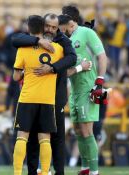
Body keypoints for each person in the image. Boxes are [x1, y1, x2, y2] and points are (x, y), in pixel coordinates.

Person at [12, 13, 91, 175]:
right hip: (45, 98)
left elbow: (72, 58)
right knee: (40, 137)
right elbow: (16, 39)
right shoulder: (53, 46)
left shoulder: (62, 42)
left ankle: (56, 171)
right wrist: (38, 40)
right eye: (47, 26)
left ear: (58, 28)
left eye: (54, 27)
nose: (50, 29)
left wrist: (52, 67)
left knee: (54, 137)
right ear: (42, 26)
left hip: (54, 96)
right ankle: (36, 171)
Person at [12, 15, 64, 175]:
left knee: (22, 137)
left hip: (27, 98)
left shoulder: (23, 49)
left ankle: (17, 172)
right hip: (47, 100)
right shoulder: (58, 49)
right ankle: (46, 171)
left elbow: (15, 77)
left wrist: (25, 73)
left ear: (28, 29)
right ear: (44, 28)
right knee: (45, 139)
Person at [62, 5, 108, 175]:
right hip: (74, 89)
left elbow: (102, 56)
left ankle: (94, 172)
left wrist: (100, 81)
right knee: (78, 131)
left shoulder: (87, 32)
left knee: (87, 130)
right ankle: (85, 169)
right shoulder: (67, 38)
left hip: (88, 88)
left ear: (69, 19)